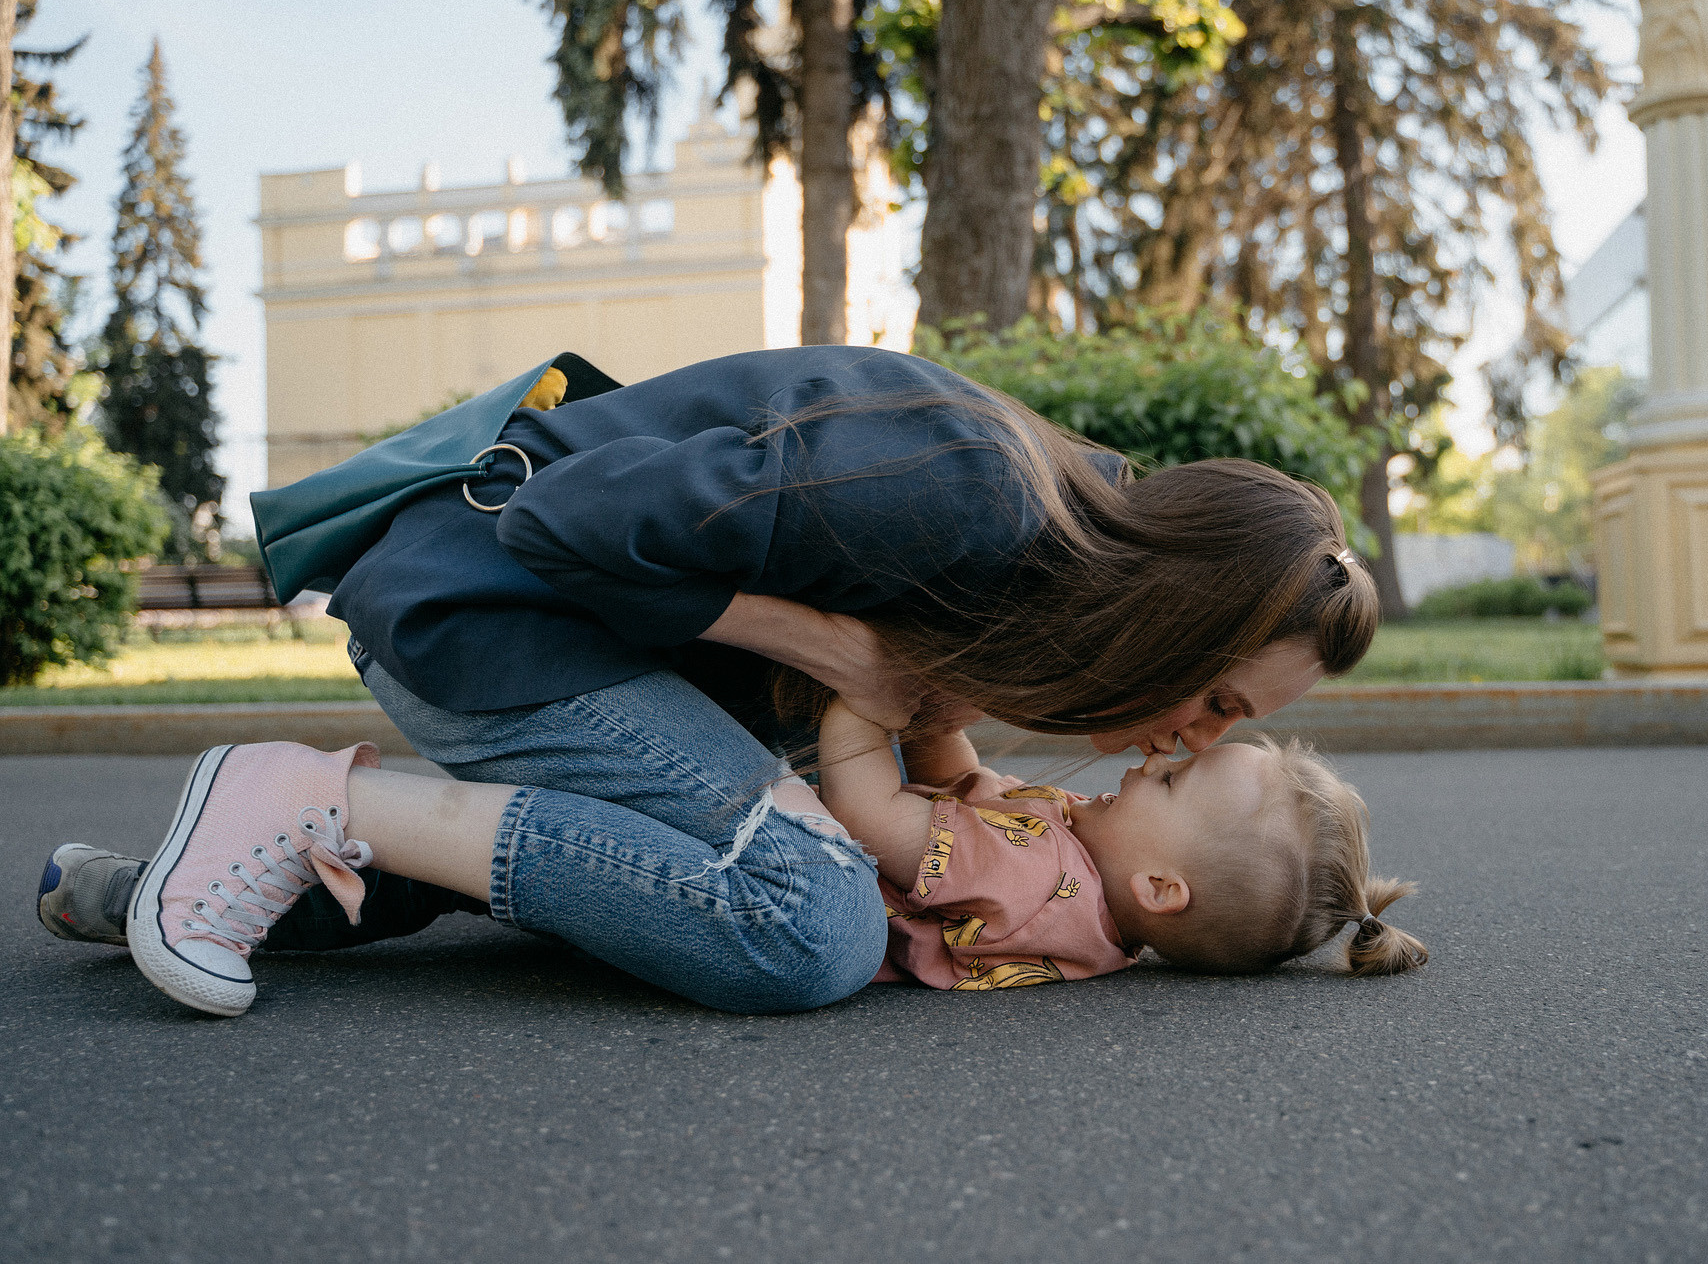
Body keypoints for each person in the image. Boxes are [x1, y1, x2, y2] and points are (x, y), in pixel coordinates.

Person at [40, 345, 1380, 1016]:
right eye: (1216, 701)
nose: (1178, 735)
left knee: (691, 876)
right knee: (813, 918)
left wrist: (928, 725)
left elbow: (916, 743)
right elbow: (557, 524)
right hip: (479, 608)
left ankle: (194, 882)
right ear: (1183, 606)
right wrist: (827, 651)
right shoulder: (969, 487)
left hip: (594, 655)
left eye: (1219, 733)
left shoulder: (1029, 575)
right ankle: (296, 802)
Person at [809, 699, 1427, 988]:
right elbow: (956, 786)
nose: (1146, 764)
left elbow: (865, 809)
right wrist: (939, 712)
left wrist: (865, 696)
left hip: (811, 860)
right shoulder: (1095, 887)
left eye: (1169, 781)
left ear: (1159, 888)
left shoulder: (1035, 876)